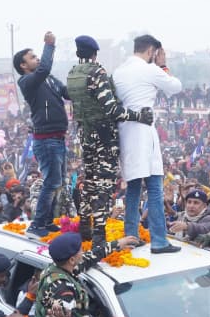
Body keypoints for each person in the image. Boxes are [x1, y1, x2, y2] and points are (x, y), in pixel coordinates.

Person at [66, 35, 153, 245]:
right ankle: (99, 234)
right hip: (104, 135)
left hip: (86, 134)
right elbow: (112, 109)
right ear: (95, 53)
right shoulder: (97, 72)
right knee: (104, 184)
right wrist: (138, 116)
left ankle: (85, 222)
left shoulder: (72, 73)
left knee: (89, 180)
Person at [113, 34, 183, 254]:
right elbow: (175, 87)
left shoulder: (118, 71)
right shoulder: (150, 69)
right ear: (152, 50)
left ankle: (130, 237)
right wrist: (163, 66)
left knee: (133, 189)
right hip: (144, 132)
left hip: (125, 132)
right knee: (154, 188)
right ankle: (160, 240)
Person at [34, 232, 138, 317]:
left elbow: (90, 257)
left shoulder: (57, 267)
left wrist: (117, 244)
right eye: (80, 250)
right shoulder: (62, 289)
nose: (83, 252)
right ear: (72, 260)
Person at [13, 31, 70, 238]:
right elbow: (44, 67)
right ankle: (37, 225)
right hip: (45, 140)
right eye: (32, 57)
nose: (37, 59)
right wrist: (49, 46)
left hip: (58, 137)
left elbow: (66, 92)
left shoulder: (49, 79)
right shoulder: (28, 81)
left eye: (37, 55)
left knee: (59, 181)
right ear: (23, 66)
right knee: (51, 182)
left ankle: (46, 221)